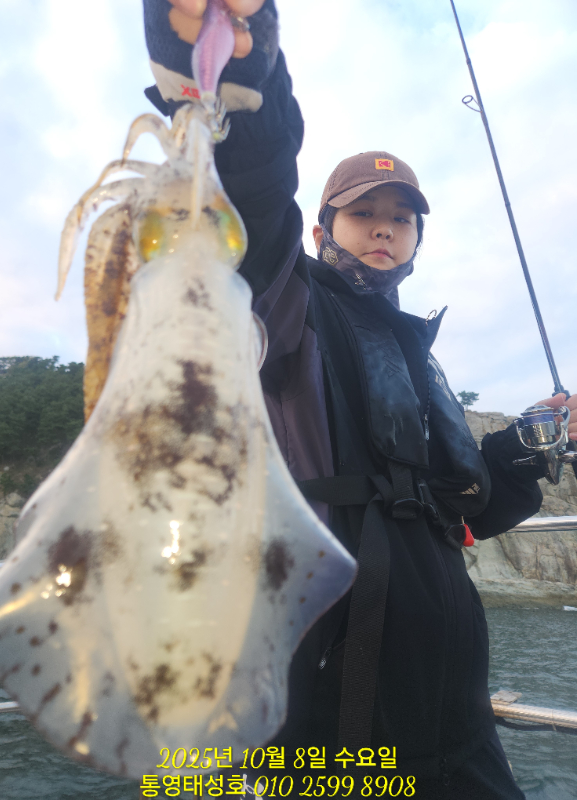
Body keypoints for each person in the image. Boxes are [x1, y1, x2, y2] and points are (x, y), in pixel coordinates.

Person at [142, 2, 577, 797]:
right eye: (363, 213)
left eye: (401, 220)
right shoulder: (285, 305)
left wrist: (526, 444)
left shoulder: (412, 351)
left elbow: (462, 507)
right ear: (321, 232)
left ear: (416, 241)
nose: (384, 229)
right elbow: (250, 211)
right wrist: (246, 82)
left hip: (455, 713)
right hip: (340, 701)